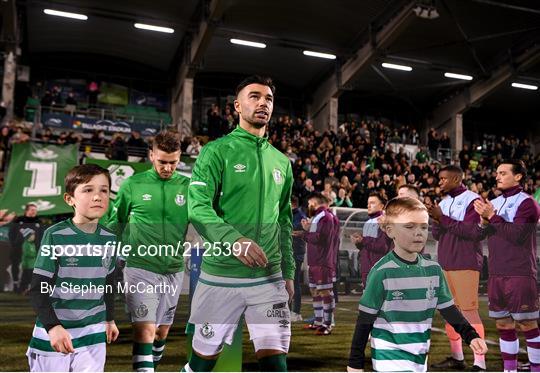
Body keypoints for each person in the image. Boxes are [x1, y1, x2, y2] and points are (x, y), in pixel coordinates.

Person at [185, 75, 294, 372]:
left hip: (268, 279)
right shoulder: (216, 151)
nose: (262, 103)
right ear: (237, 105)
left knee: (276, 363)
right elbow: (197, 208)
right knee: (201, 364)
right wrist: (234, 240)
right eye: (254, 96)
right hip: (221, 277)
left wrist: (288, 272)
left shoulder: (281, 162)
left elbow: (283, 221)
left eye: (268, 98)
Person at [347, 197, 488, 372]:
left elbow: (449, 311)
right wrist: (354, 364)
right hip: (389, 359)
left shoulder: (433, 270)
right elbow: (365, 320)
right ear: (390, 231)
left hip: (420, 359)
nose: (419, 233)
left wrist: (471, 336)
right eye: (409, 226)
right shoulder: (381, 272)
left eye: (424, 226)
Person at [26, 164, 119, 372]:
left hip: (93, 333)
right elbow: (37, 289)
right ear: (70, 199)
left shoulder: (110, 239)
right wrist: (53, 327)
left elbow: (109, 284)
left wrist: (110, 319)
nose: (98, 196)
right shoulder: (55, 235)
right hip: (57, 333)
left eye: (104, 190)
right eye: (88, 190)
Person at [110, 130, 189, 372]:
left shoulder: (189, 187)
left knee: (160, 332)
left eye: (173, 163)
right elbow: (116, 221)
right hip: (140, 267)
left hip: (174, 268)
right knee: (145, 328)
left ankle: (152, 361)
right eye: (162, 161)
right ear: (151, 155)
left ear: (179, 158)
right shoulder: (132, 184)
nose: (167, 168)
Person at [474, 160, 540, 372]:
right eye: (497, 173)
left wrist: (491, 216)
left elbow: (518, 236)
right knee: (503, 324)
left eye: (503, 172)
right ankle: (509, 370)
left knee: (527, 324)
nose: (497, 176)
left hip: (519, 273)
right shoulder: (493, 202)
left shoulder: (527, 203)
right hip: (496, 273)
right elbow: (480, 234)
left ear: (518, 176)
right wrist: (483, 222)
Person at [427, 165, 487, 371]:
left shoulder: (473, 199)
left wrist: (441, 218)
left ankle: (480, 362)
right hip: (446, 262)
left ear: (456, 178)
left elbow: (472, 232)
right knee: (450, 311)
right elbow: (437, 234)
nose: (440, 182)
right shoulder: (443, 202)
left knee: (469, 312)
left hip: (465, 262)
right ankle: (457, 357)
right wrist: (436, 219)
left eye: (444, 179)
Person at [295, 192, 339, 335]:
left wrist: (304, 233)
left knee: (325, 291)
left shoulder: (326, 217)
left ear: (314, 202)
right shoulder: (318, 217)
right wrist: (306, 232)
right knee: (315, 291)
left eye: (309, 203)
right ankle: (318, 322)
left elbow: (321, 238)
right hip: (315, 260)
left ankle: (327, 324)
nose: (308, 206)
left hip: (323, 261)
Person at [351, 192, 391, 288]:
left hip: (378, 268)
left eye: (372, 203)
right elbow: (366, 247)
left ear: (381, 206)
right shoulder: (368, 222)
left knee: (379, 300)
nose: (368, 205)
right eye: (368, 203)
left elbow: (383, 247)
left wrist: (364, 240)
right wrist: (359, 243)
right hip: (366, 267)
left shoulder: (384, 221)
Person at [9, 203, 43, 293]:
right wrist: (14, 245)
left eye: (35, 210)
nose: (34, 212)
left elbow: (41, 237)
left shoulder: (38, 222)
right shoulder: (18, 220)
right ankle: (15, 284)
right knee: (16, 266)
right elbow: (11, 234)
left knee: (30, 269)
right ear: (26, 211)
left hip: (32, 252)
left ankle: (27, 287)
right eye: (32, 210)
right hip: (18, 250)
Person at [291, 195, 307, 322]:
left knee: (295, 282)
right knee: (287, 282)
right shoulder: (291, 215)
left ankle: (296, 312)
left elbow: (301, 232)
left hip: (296, 253)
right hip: (289, 252)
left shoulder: (301, 216)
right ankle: (288, 310)